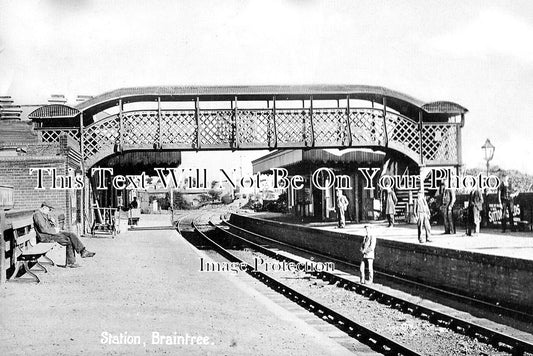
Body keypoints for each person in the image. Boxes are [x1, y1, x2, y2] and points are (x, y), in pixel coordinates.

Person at [33, 202, 95, 268]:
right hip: (45, 236)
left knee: (71, 234)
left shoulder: (42, 214)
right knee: (68, 240)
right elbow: (43, 229)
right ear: (44, 207)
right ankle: (71, 262)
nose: (49, 211)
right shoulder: (37, 215)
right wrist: (54, 230)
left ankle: (83, 251)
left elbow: (47, 226)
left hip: (50, 233)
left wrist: (52, 222)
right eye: (49, 209)